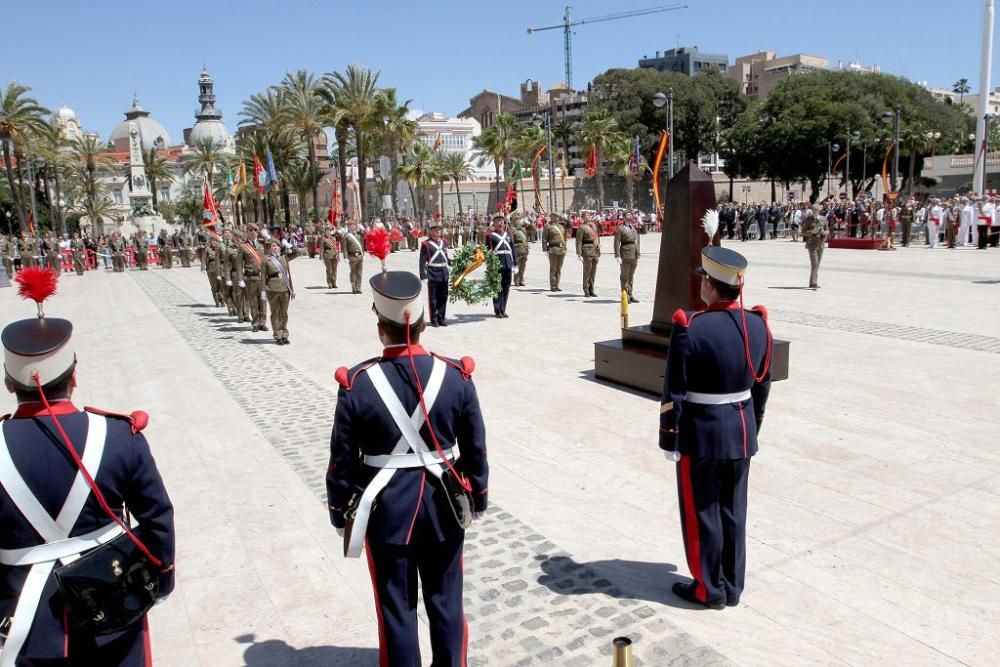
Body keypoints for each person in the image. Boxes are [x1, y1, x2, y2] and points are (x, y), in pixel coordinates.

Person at [0, 268, 175, 665]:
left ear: (10, 383)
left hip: (22, 618)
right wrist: (161, 579)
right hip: (111, 603)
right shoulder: (117, 437)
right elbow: (157, 517)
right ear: (74, 376)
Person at [326, 270, 488, 666]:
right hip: (444, 511)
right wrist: (478, 497)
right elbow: (476, 449)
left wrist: (338, 511)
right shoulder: (456, 377)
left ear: (380, 328)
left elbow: (341, 461)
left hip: (386, 516)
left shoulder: (358, 385)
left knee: (396, 612)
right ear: (424, 322)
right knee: (447, 604)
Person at [659, 246, 772, 610]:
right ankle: (732, 585)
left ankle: (709, 588)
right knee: (733, 511)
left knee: (702, 511)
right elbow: (763, 384)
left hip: (701, 433)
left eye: (703, 279)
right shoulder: (758, 323)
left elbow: (674, 390)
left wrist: (669, 435)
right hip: (741, 431)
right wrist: (753, 424)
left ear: (710, 284)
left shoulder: (689, 327)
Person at [263, 239, 297, 345]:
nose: (275, 247)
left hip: (285, 288)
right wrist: (263, 290)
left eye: (277, 245)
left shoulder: (284, 257)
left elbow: (299, 252)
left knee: (284, 313)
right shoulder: (266, 260)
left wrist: (289, 245)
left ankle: (284, 334)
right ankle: (278, 335)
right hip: (272, 288)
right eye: (273, 246)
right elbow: (263, 276)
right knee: (275, 313)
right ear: (269, 248)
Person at [419, 222, 451, 327]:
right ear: (431, 231)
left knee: (443, 296)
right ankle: (434, 319)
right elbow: (422, 261)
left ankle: (441, 318)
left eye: (439, 229)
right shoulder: (426, 244)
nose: (438, 231)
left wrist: (456, 263)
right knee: (433, 298)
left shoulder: (444, 242)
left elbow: (446, 257)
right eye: (436, 229)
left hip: (443, 272)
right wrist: (423, 276)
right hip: (433, 272)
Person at [486, 216, 516, 318]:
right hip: (497, 264)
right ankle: (497, 309)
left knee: (506, 287)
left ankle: (503, 309)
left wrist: (515, 264)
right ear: (493, 223)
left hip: (508, 264)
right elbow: (487, 251)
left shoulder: (508, 235)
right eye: (497, 221)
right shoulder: (491, 236)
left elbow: (513, 250)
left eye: (502, 221)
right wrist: (489, 264)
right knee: (497, 287)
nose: (500, 223)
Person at [240, 226, 267, 332]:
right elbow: (239, 263)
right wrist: (240, 278)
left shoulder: (262, 245)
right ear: (247, 232)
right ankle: (255, 323)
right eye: (250, 230)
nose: (253, 232)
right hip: (250, 277)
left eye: (255, 230)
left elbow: (267, 261)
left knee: (263, 300)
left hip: (261, 277)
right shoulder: (243, 246)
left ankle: (262, 323)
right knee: (253, 301)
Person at [613, 211, 641, 303]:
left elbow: (638, 239)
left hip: (634, 254)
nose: (631, 216)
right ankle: (625, 296)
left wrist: (638, 252)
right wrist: (617, 255)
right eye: (628, 214)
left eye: (631, 214)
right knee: (624, 277)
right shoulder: (620, 228)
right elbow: (616, 242)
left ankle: (630, 294)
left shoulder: (633, 227)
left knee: (631, 276)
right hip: (625, 254)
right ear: (624, 217)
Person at [801, 204, 829, 289]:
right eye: (815, 210)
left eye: (818, 210)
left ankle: (812, 282)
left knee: (817, 264)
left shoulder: (823, 219)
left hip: (820, 243)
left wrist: (823, 232)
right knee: (815, 263)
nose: (816, 211)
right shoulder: (808, 220)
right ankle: (814, 283)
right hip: (812, 244)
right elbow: (803, 232)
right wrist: (812, 231)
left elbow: (828, 230)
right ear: (812, 210)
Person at [575, 212, 601, 297]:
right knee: (587, 271)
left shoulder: (593, 225)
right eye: (587, 215)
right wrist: (579, 253)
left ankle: (591, 289)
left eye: (590, 215)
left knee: (593, 271)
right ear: (582, 217)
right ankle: (586, 289)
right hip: (586, 249)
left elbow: (598, 236)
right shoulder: (581, 227)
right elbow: (578, 241)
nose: (589, 217)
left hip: (594, 249)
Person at [541, 215, 567, 292]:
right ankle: (553, 286)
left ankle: (557, 285)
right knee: (553, 268)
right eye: (555, 217)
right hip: (553, 249)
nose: (557, 218)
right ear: (551, 217)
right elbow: (544, 238)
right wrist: (545, 249)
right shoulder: (548, 226)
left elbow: (564, 238)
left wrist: (565, 247)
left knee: (559, 268)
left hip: (561, 249)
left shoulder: (561, 226)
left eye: (557, 217)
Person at [342, 222, 365, 294]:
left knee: (359, 273)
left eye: (353, 225)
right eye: (350, 225)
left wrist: (363, 254)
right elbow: (344, 248)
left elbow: (361, 245)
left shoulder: (358, 234)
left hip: (359, 256)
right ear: (348, 227)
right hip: (352, 256)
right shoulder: (346, 236)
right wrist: (345, 257)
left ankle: (358, 287)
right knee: (353, 272)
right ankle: (354, 287)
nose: (352, 227)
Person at [512, 218, 529, 287]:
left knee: (523, 266)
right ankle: (516, 280)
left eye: (519, 220)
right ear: (514, 221)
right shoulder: (512, 229)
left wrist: (528, 222)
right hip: (517, 249)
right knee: (517, 266)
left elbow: (533, 229)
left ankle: (521, 280)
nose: (519, 221)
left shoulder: (523, 229)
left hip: (524, 249)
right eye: (517, 220)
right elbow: (511, 241)